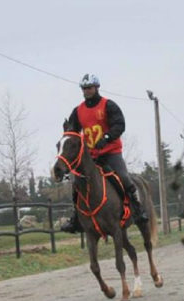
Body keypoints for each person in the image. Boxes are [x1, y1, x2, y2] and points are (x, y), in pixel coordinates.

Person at [60, 73, 148, 233]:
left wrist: (107, 137)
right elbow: (72, 131)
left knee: (123, 177)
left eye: (89, 88)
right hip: (91, 157)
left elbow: (120, 124)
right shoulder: (78, 111)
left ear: (97, 87)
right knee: (77, 183)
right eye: (84, 88)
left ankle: (137, 209)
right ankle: (76, 218)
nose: (87, 91)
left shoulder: (108, 105)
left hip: (111, 152)